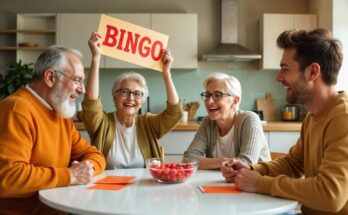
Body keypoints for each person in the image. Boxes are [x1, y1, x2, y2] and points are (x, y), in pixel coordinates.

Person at [221, 28, 348, 215]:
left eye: (285, 69)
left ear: (313, 71)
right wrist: (250, 169)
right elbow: (293, 164)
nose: (278, 77)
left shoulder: (342, 118)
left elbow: (331, 195)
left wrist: (260, 183)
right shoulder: (313, 116)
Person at [0, 46, 106, 214]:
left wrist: (87, 169)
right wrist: (70, 175)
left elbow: (95, 155)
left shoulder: (60, 113)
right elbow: (8, 177)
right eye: (77, 80)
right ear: (50, 77)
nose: (82, 89)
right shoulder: (16, 109)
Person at [82, 32, 183, 169]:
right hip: (107, 189)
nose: (131, 98)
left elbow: (175, 113)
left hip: (143, 188)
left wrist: (166, 73)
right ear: (114, 96)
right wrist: (96, 57)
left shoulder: (148, 124)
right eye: (124, 92)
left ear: (142, 100)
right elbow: (91, 103)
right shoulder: (102, 123)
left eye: (137, 94)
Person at [183, 73, 271, 170]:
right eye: (207, 95)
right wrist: (223, 162)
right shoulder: (208, 122)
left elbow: (246, 163)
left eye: (217, 95)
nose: (209, 101)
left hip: (255, 183)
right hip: (219, 181)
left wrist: (207, 163)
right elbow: (188, 159)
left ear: (235, 101)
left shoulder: (249, 119)